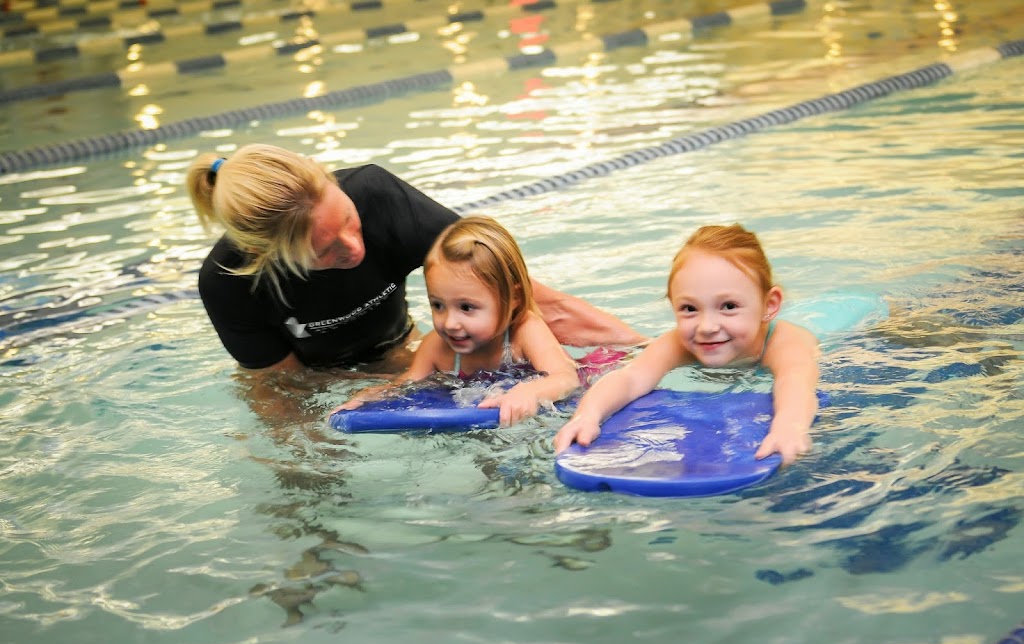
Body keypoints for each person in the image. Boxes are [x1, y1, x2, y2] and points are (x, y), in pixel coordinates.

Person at [187, 144, 646, 374]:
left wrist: (648, 351)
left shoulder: (377, 196)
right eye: (326, 250)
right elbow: (282, 391)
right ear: (264, 253)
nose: (355, 248)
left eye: (349, 220)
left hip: (400, 349)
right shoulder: (228, 282)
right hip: (306, 378)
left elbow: (532, 304)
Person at [553, 224, 820, 465]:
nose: (707, 327)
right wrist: (587, 416)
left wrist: (789, 427)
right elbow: (630, 378)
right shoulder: (677, 343)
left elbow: (794, 381)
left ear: (769, 305)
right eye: (690, 308)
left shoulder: (784, 342)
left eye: (729, 306)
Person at [334, 216, 582, 426]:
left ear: (513, 298)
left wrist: (531, 391)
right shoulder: (436, 347)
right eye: (438, 305)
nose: (450, 323)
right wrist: (370, 397)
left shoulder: (524, 332)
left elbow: (566, 378)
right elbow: (405, 386)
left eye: (466, 307)